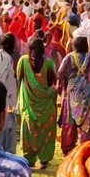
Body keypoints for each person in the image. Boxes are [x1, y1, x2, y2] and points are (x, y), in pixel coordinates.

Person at [54, 34, 90, 152]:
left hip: (72, 95)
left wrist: (63, 88)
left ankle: (69, 148)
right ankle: (87, 148)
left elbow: (60, 75)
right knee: (88, 124)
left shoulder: (68, 58)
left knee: (70, 123)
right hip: (89, 96)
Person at [15, 35, 57, 169]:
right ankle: (44, 158)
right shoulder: (49, 63)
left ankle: (29, 158)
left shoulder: (23, 61)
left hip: (28, 104)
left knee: (28, 131)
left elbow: (18, 78)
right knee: (46, 131)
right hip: (46, 105)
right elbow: (52, 81)